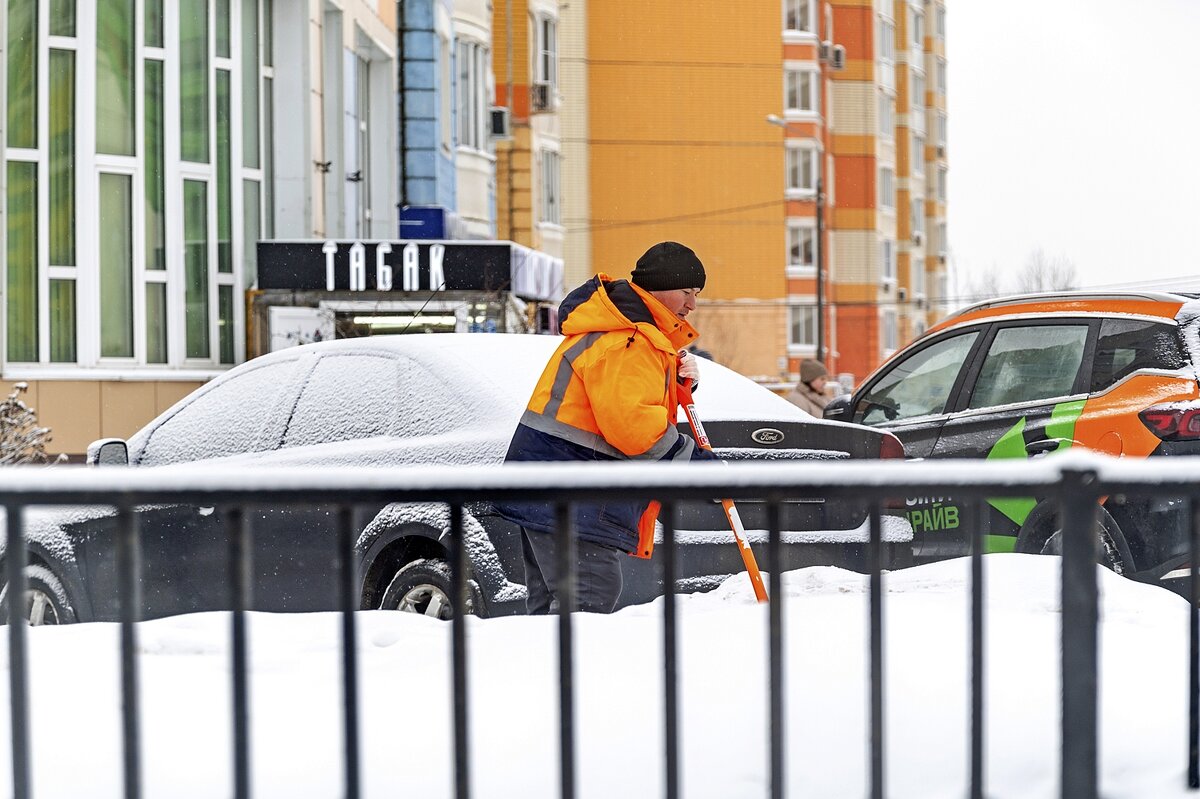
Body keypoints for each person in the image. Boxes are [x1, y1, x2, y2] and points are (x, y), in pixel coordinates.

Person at [496, 241, 720, 614]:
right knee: (589, 592)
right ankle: (568, 672)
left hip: (552, 483)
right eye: (687, 292)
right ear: (662, 287)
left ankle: (543, 670)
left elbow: (615, 405)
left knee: (555, 602)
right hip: (571, 487)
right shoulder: (627, 340)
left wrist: (679, 385)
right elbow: (633, 427)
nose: (691, 305)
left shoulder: (627, 332)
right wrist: (696, 465)